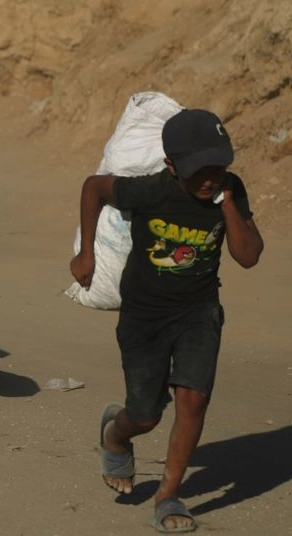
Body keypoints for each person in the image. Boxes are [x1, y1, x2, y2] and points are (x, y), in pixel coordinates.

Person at [70, 108, 263, 533]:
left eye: (217, 168)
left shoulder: (228, 191)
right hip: (144, 315)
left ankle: (169, 493)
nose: (209, 179)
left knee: (193, 398)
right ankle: (117, 436)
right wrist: (87, 253)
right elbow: (93, 188)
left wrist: (229, 201)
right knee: (146, 415)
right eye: (198, 171)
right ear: (172, 166)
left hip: (199, 309)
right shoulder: (150, 192)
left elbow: (248, 256)